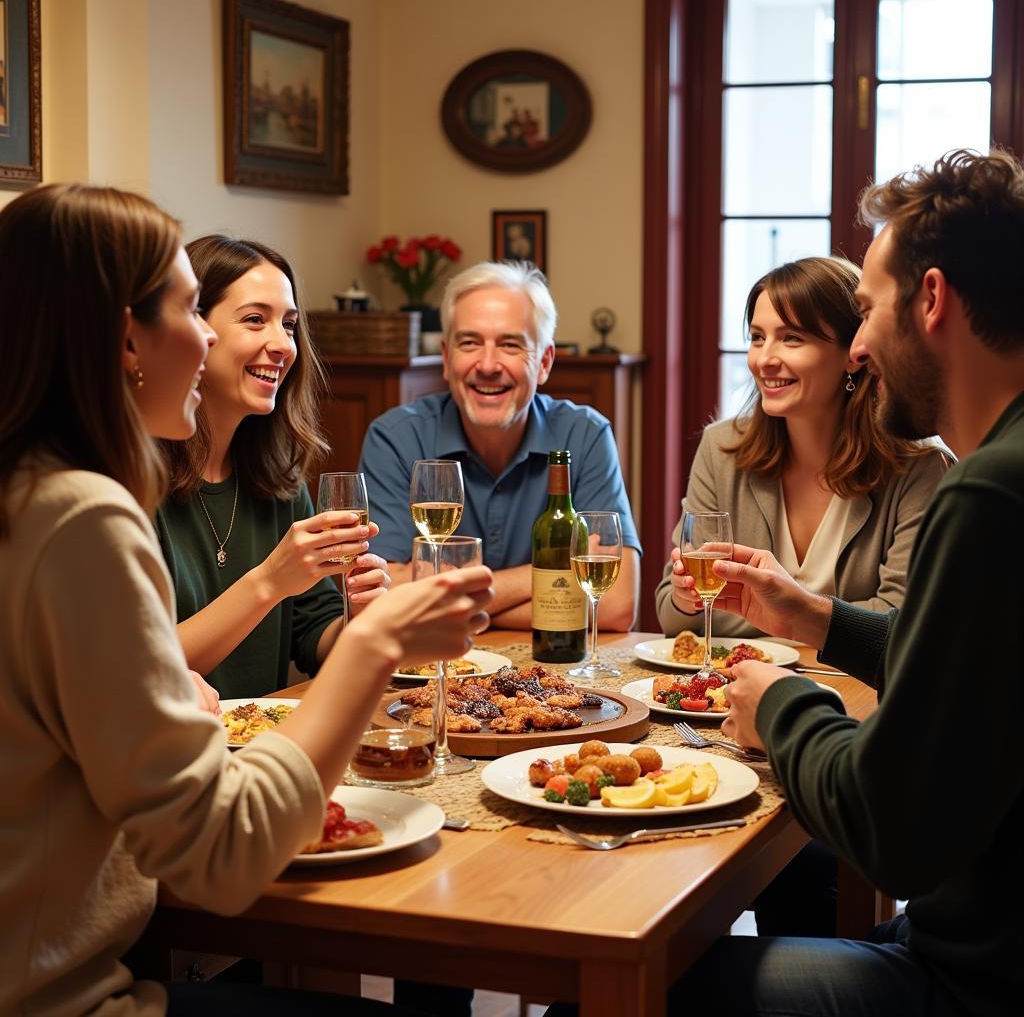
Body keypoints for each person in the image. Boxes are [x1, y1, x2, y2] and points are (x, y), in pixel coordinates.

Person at [0, 183, 492, 1016]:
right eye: (197, 310)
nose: (204, 336)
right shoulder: (82, 516)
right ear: (126, 337)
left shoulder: (32, 492)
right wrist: (376, 649)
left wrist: (354, 629)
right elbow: (221, 859)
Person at [553, 148, 1024, 1017]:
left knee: (605, 993)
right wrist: (811, 615)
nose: (866, 342)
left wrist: (776, 703)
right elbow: (959, 667)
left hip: (974, 979)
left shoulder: (987, 489)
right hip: (968, 937)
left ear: (931, 300)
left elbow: (892, 835)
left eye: (869, 312)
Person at [657, 256, 950, 641]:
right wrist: (686, 597)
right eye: (758, 337)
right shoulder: (721, 448)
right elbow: (671, 617)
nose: (765, 360)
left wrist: (781, 610)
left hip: (855, 695)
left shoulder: (918, 465)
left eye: (792, 338)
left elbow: (901, 624)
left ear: (853, 352)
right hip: (735, 688)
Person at [157, 236, 391, 700]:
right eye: (254, 320)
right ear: (191, 330)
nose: (282, 344)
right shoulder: (130, 480)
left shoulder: (277, 479)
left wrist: (360, 617)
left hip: (258, 743)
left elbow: (314, 634)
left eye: (288, 325)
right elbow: (141, 669)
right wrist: (269, 581)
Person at [359, 259, 641, 630]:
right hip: (430, 674)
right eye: (470, 343)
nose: (488, 364)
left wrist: (445, 599)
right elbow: (379, 602)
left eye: (510, 345)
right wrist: (546, 576)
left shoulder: (585, 436)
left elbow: (616, 604)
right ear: (446, 358)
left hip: (548, 671)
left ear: (544, 362)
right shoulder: (395, 439)